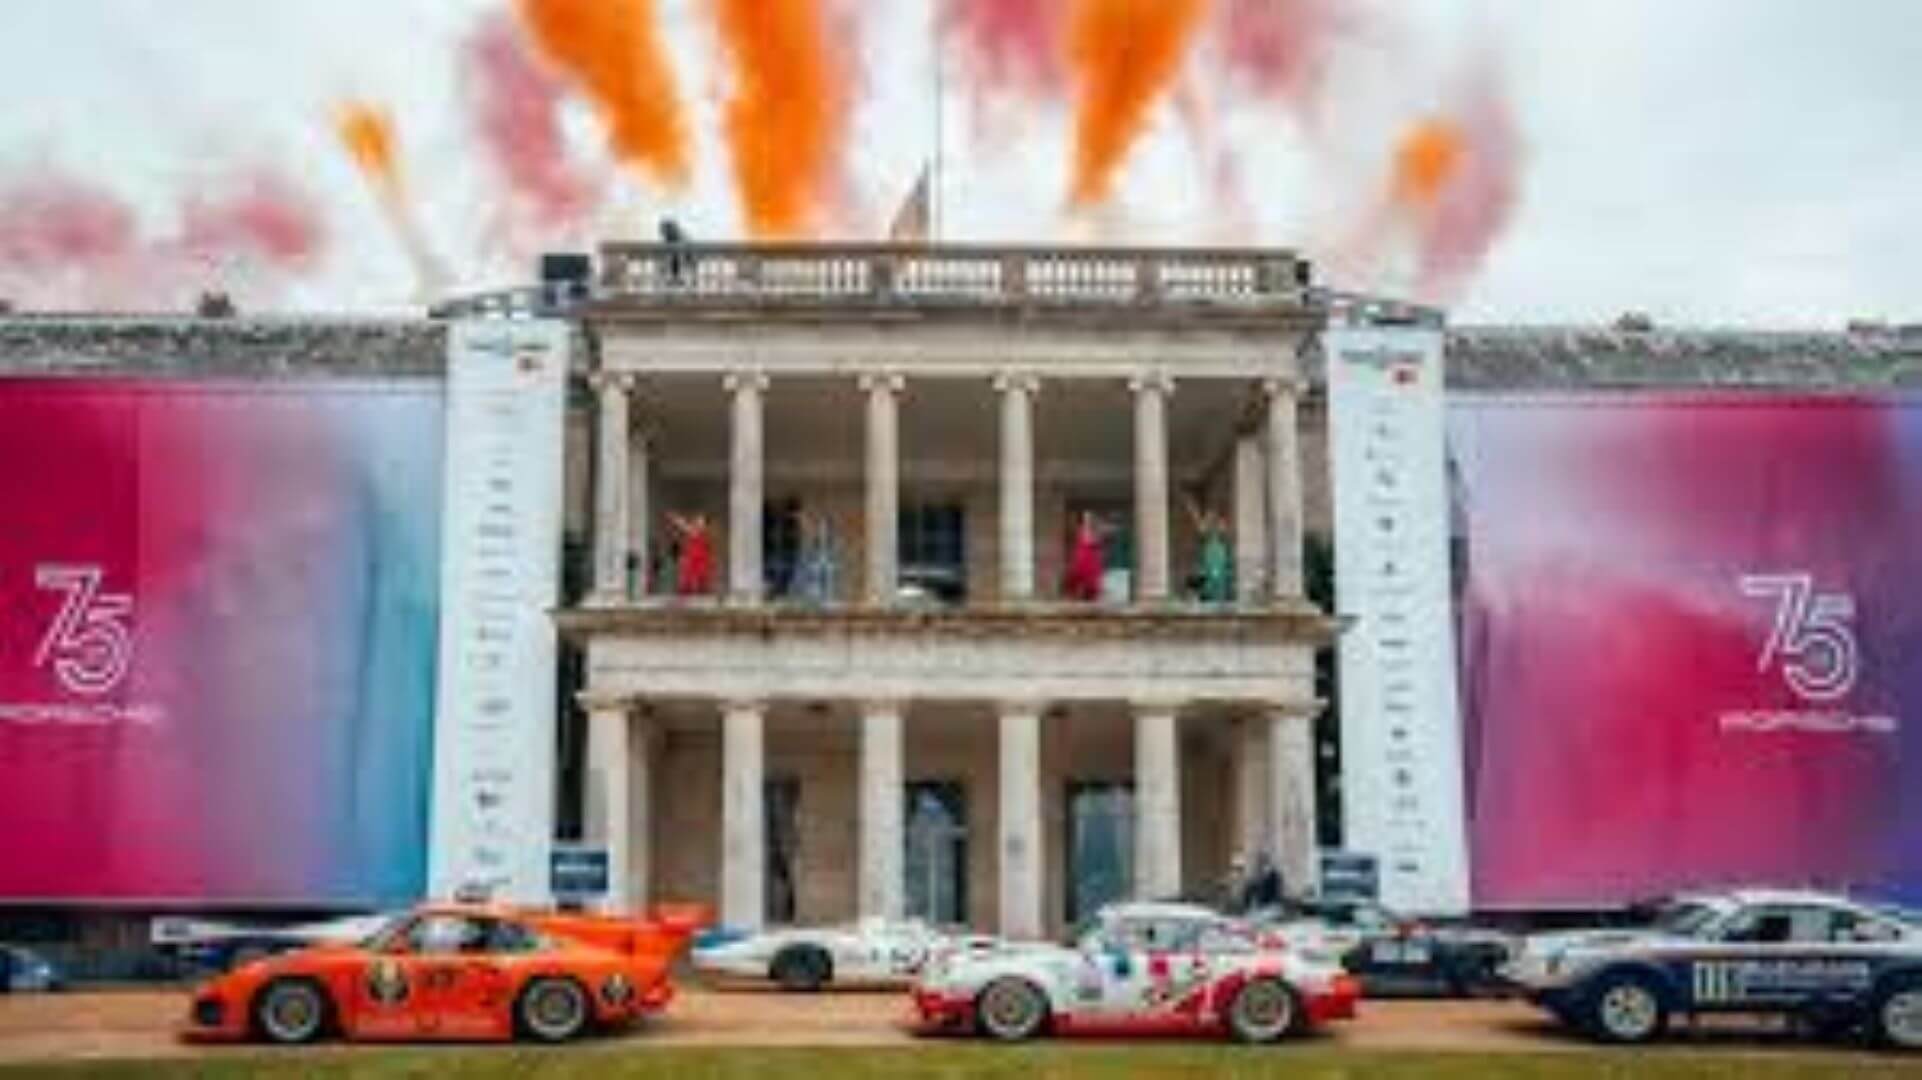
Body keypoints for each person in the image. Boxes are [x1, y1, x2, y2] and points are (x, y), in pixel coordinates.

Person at [1186, 496, 1233, 604]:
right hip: (1212, 554)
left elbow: (1203, 527)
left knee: (1217, 577)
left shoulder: (1220, 543)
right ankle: (1211, 597)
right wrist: (1192, 508)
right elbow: (1200, 528)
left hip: (1216, 554)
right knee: (1211, 576)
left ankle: (1217, 597)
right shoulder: (1208, 539)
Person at [792, 510, 839, 605]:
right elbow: (799, 577)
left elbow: (832, 577)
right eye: (820, 529)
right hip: (809, 598)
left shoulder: (833, 552)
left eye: (826, 529)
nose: (823, 532)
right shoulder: (808, 552)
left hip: (826, 600)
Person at [667, 512, 714, 595]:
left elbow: (684, 526)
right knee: (688, 582)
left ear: (705, 525)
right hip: (692, 560)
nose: (698, 523)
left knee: (700, 583)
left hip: (700, 561)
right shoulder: (695, 531)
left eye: (701, 522)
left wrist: (675, 519)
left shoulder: (702, 534)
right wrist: (675, 519)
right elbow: (684, 526)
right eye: (698, 521)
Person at [1065, 511, 1106, 602]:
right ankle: (1075, 598)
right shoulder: (1080, 531)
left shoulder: (1095, 532)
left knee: (1091, 582)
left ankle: (1090, 598)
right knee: (1076, 577)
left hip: (1091, 559)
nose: (1087, 520)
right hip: (1082, 557)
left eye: (1089, 518)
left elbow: (1098, 545)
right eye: (1085, 518)